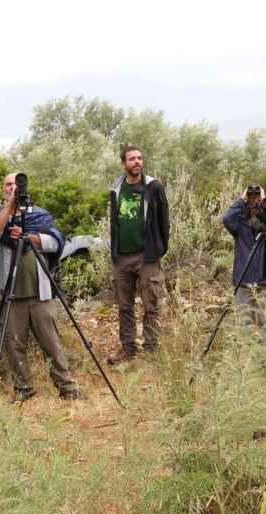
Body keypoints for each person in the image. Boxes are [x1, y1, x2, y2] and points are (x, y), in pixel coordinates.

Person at [0, 173, 82, 401]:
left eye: (16, 185)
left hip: (40, 293)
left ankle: (67, 387)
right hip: (10, 294)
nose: (13, 187)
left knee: (52, 343)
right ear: (3, 189)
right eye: (8, 184)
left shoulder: (39, 215)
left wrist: (31, 237)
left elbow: (56, 241)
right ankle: (23, 389)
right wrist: (10, 206)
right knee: (14, 345)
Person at [108, 146, 170, 364]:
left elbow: (164, 221)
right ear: (123, 164)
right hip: (122, 256)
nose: (137, 162)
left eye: (140, 158)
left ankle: (151, 350)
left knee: (151, 304)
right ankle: (128, 350)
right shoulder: (116, 188)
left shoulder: (154, 186)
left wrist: (158, 249)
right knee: (124, 306)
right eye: (132, 159)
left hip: (147, 256)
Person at [222, 183, 266, 326]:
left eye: (257, 196)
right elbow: (226, 218)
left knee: (265, 320)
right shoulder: (239, 224)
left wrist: (265, 200)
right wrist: (242, 198)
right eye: (251, 196)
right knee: (245, 322)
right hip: (244, 277)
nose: (254, 199)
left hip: (265, 277)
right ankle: (247, 348)